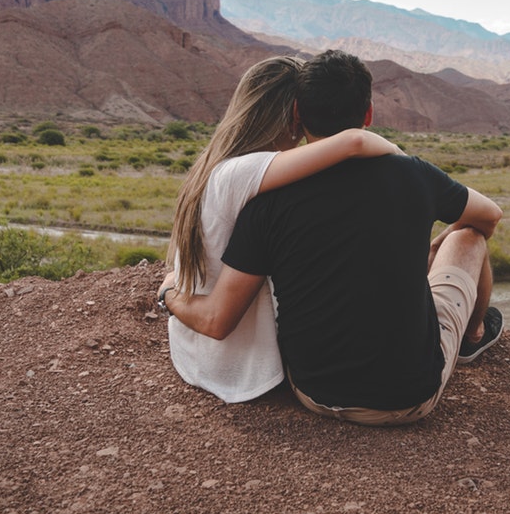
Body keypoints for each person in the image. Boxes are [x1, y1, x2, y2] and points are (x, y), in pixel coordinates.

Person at [159, 50, 503, 425]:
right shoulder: (413, 174)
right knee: (468, 236)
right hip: (408, 399)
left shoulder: (265, 201)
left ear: (297, 115)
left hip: (311, 393)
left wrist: (169, 291)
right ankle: (474, 335)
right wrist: (436, 237)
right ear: (368, 114)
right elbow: (489, 216)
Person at [163, 54, 403, 403]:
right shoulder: (244, 172)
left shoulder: (219, 167)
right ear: (295, 113)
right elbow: (354, 142)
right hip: (241, 369)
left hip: (200, 354)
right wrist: (402, 160)